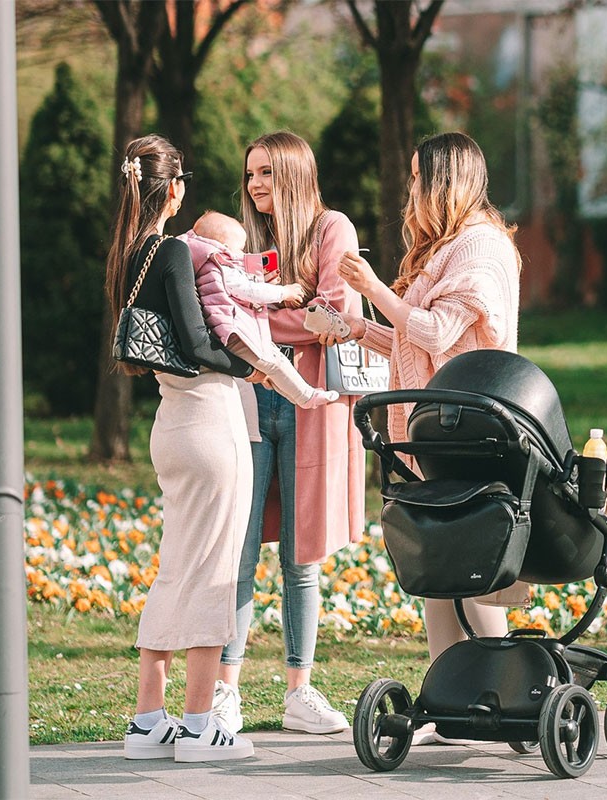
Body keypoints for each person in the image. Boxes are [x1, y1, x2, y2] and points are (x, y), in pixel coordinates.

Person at [327, 131, 525, 743]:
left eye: (417, 178)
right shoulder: (448, 251)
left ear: (445, 181)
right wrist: (353, 327)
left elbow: (438, 333)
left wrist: (371, 289)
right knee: (438, 561)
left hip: (473, 432)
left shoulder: (481, 250)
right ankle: (451, 700)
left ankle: (507, 694)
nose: (410, 190)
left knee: (475, 565)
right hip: (438, 432)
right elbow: (414, 342)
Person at [107, 135, 256, 762]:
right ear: (173, 190)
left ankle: (149, 721)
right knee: (214, 572)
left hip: (170, 424)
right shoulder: (171, 250)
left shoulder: (127, 252)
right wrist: (253, 367)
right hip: (208, 422)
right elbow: (198, 345)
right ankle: (199, 726)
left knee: (177, 567)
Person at [212, 131, 365, 736]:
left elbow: (334, 317)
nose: (255, 185)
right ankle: (227, 690)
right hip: (250, 404)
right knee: (240, 551)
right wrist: (284, 311)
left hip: (312, 408)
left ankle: (299, 692)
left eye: (267, 173)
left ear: (295, 174)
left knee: (302, 557)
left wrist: (257, 313)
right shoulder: (245, 238)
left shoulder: (333, 231)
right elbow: (226, 306)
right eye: (250, 174)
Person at [180, 211, 339, 409]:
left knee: (273, 362)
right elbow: (248, 291)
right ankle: (306, 397)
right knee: (273, 362)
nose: (242, 254)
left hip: (228, 328)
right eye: (239, 249)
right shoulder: (221, 267)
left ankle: (299, 395)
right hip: (233, 330)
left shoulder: (206, 263)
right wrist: (284, 292)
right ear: (222, 247)